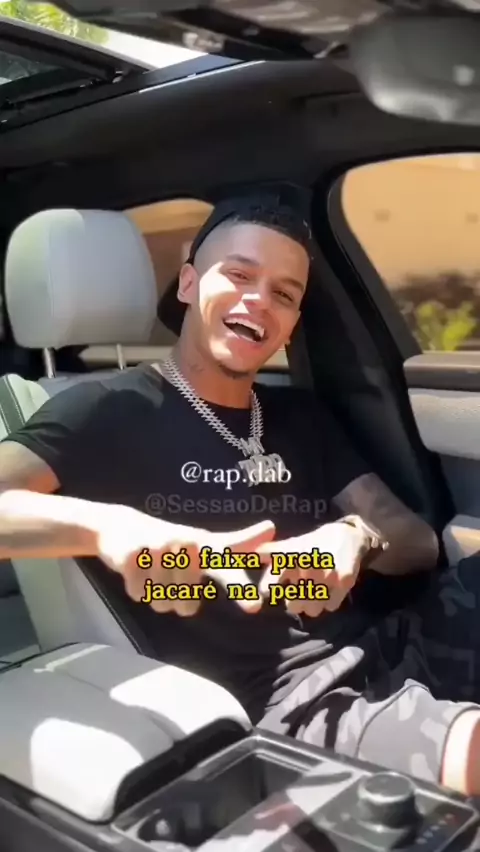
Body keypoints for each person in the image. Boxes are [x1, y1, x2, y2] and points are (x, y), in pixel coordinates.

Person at [0, 192, 479, 798]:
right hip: (290, 700)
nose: (260, 300)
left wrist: (356, 539)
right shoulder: (103, 410)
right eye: (239, 274)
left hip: (389, 637)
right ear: (188, 283)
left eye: (284, 293)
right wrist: (110, 528)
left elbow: (417, 543)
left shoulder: (298, 415)